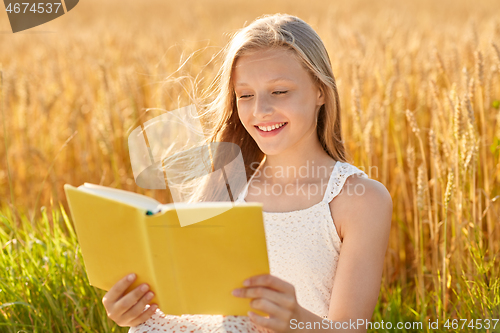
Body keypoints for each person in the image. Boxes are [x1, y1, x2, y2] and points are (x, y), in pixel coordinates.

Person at [102, 13, 392, 333]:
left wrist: (295, 320)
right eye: (246, 95)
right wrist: (135, 311)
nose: (260, 110)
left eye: (279, 92)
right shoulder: (224, 185)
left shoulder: (358, 199)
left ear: (321, 91)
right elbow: (193, 307)